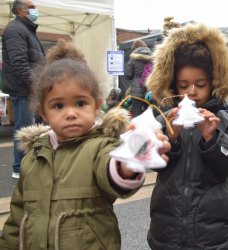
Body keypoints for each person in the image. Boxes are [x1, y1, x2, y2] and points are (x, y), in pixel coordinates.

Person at [0, 40, 170, 249]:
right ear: (42, 112)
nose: (71, 113)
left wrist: (131, 159)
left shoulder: (100, 146)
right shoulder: (32, 158)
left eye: (80, 103)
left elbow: (112, 171)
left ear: (97, 105)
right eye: (58, 105)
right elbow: (17, 217)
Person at [145, 23, 228, 249]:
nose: (191, 91)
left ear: (214, 84)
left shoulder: (223, 120)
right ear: (173, 86)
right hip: (166, 230)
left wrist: (214, 139)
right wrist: (170, 139)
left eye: (200, 84)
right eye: (183, 85)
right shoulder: (164, 120)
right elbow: (146, 160)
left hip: (211, 234)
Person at [1, 0, 45, 179]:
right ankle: (19, 168)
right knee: (25, 128)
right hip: (24, 89)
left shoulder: (27, 30)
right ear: (21, 10)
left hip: (31, 89)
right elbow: (19, 64)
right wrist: (37, 84)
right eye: (32, 7)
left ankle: (29, 164)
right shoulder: (15, 30)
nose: (35, 10)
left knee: (33, 128)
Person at [124, 39, 152, 117]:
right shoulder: (152, 57)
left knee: (136, 114)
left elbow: (128, 75)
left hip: (136, 91)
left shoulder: (133, 58)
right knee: (148, 114)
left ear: (134, 48)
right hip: (149, 90)